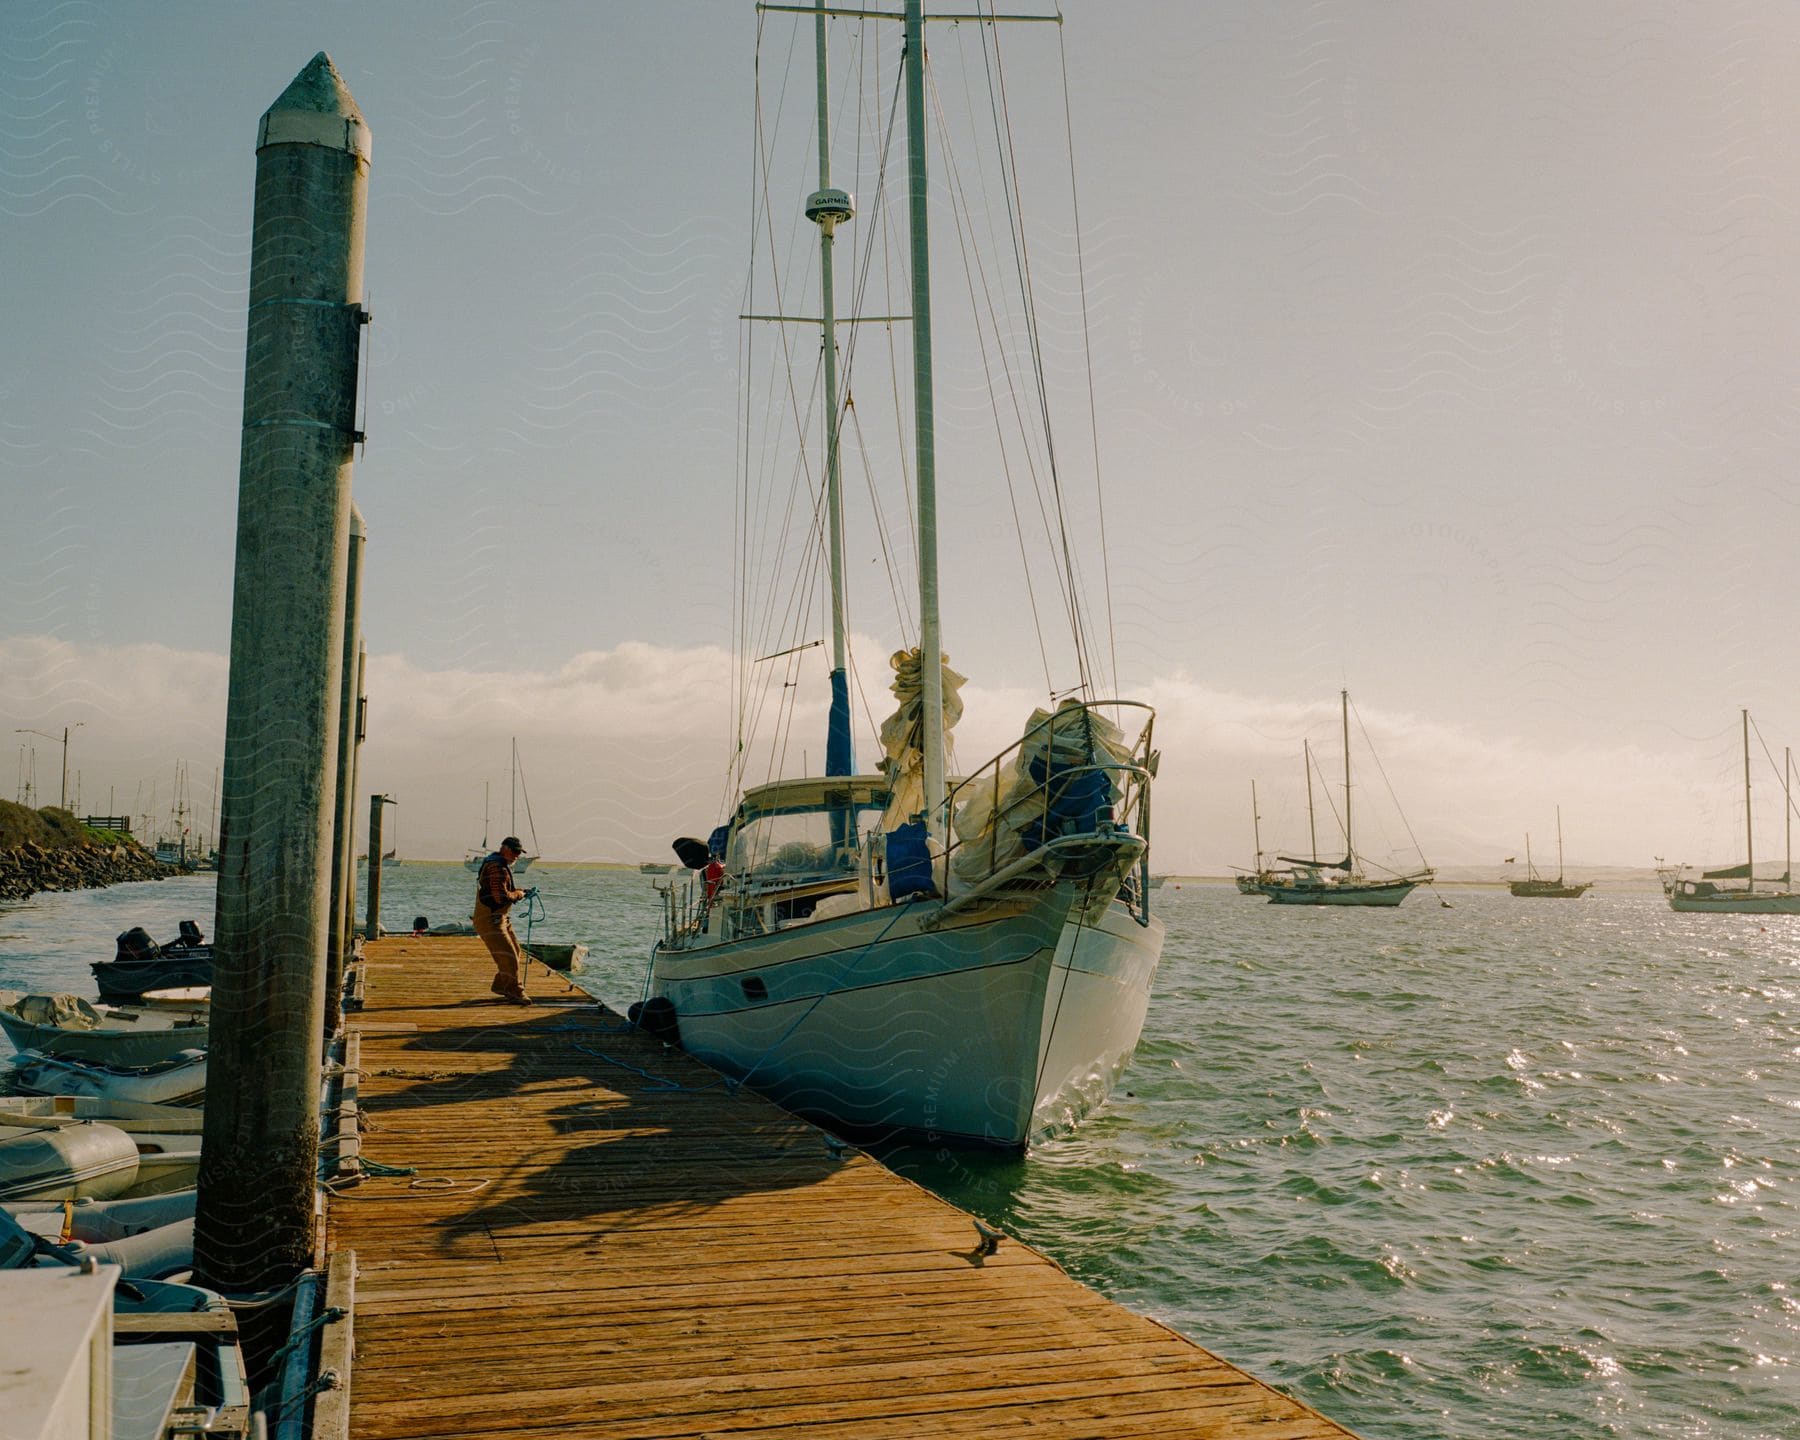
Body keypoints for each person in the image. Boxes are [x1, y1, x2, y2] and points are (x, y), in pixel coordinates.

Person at [473, 836, 535, 1004]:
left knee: (516, 952)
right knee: (508, 957)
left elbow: (503, 891)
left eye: (519, 853)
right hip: (490, 919)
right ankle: (517, 991)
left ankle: (502, 985)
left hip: (501, 918)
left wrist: (519, 891)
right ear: (505, 849)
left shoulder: (500, 865)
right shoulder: (496, 867)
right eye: (515, 852)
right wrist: (519, 894)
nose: (517, 856)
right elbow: (500, 897)